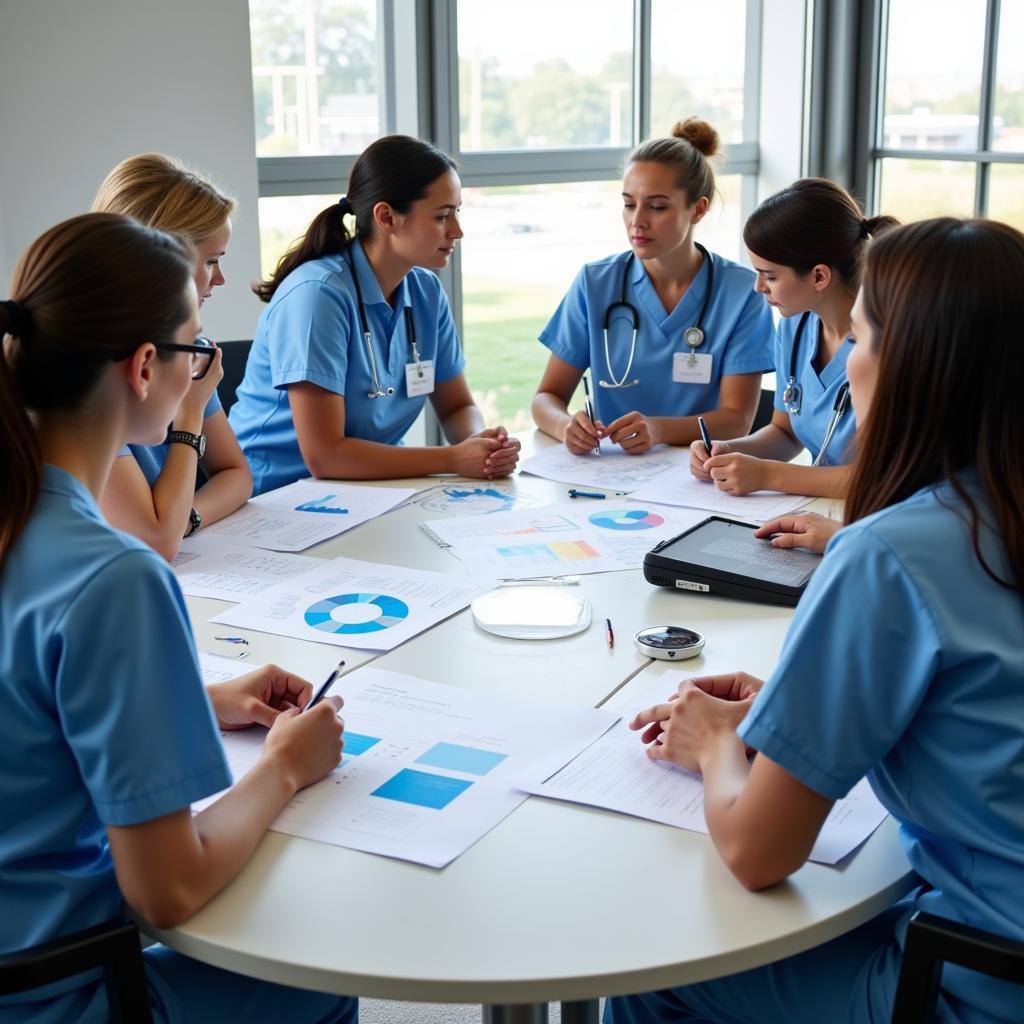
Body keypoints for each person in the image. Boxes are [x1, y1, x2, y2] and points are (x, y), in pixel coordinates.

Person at [607, 218, 1024, 1024]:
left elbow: (758, 853)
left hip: (975, 987)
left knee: (642, 957)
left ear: (908, 368)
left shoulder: (891, 554)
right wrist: (797, 706)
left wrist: (718, 742)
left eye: (860, 337)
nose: (848, 362)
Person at [0, 213, 356, 1024]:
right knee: (322, 972)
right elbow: (168, 889)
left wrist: (201, 701)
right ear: (145, 366)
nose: (204, 371)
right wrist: (286, 767)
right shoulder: (116, 579)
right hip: (63, 997)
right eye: (199, 350)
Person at [229, 134, 520, 494]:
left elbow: (457, 406)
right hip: (275, 495)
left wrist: (484, 445)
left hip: (367, 491)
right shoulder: (318, 296)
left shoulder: (426, 292)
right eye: (442, 216)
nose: (457, 231)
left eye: (457, 213)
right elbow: (326, 456)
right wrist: (453, 459)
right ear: (386, 217)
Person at [532, 117, 774, 456]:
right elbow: (547, 397)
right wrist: (565, 426)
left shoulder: (742, 293)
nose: (637, 221)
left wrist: (659, 429)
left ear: (698, 209)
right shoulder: (595, 283)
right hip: (608, 470)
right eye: (629, 204)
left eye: (657, 206)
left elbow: (736, 419)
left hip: (697, 472)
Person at [690, 178, 896, 497]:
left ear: (818, 276)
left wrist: (767, 475)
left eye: (770, 276)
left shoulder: (887, 345)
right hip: (814, 511)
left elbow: (877, 479)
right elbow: (785, 433)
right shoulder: (794, 325)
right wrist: (728, 451)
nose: (759, 287)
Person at [92, 153, 252, 559]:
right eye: (212, 261)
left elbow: (236, 475)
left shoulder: (188, 351)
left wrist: (188, 517)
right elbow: (155, 540)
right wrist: (192, 412)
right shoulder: (90, 374)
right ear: (165, 260)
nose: (220, 278)